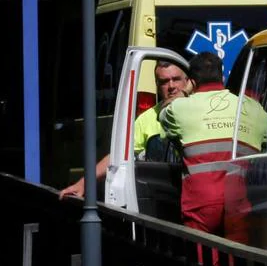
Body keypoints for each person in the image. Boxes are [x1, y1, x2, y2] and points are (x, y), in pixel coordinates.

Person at [160, 52, 267, 235]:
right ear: (223, 77)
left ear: (192, 81)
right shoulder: (252, 108)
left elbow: (163, 113)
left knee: (205, 260)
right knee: (239, 260)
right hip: (240, 200)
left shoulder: (180, 108)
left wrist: (186, 92)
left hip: (201, 204)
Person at [58, 59, 190, 200]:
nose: (171, 86)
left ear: (188, 81)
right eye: (164, 82)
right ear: (157, 85)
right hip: (168, 196)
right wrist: (83, 184)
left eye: (176, 79)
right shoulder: (146, 119)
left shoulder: (202, 109)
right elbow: (117, 154)